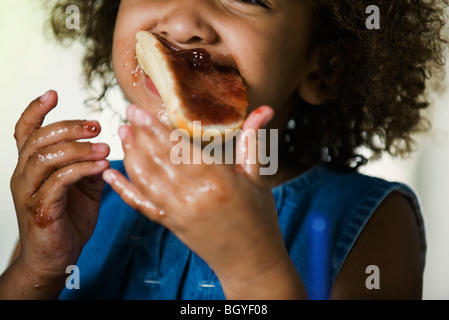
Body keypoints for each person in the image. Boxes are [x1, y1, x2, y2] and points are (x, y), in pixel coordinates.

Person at [0, 0, 447, 300]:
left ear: (323, 66)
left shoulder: (374, 221)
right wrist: (37, 267)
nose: (182, 24)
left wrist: (255, 270)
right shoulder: (81, 201)